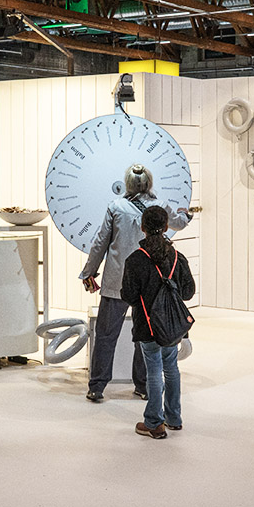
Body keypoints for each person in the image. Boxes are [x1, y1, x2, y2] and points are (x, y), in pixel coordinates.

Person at [79, 163, 191, 403]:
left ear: (127, 184)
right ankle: (143, 385)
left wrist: (88, 272)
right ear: (149, 183)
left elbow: (100, 243)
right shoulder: (160, 206)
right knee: (146, 334)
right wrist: (186, 215)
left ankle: (97, 386)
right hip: (149, 283)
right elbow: (179, 224)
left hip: (116, 280)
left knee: (106, 335)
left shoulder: (115, 207)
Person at [121, 205, 195, 439]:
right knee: (171, 368)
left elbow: (129, 296)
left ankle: (154, 423)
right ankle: (174, 418)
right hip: (171, 326)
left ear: (142, 227)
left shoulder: (135, 260)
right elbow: (188, 292)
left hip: (147, 325)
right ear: (166, 227)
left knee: (153, 370)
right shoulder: (177, 258)